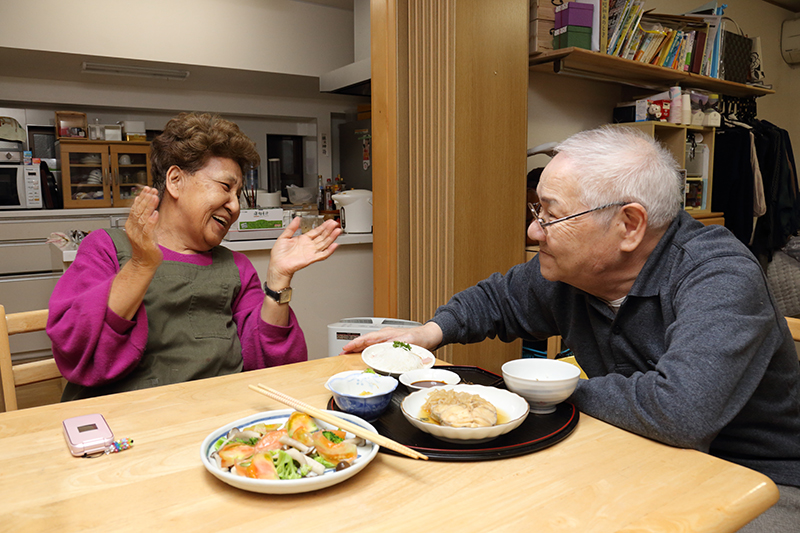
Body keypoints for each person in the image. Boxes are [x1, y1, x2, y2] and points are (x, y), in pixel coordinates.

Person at [343, 126, 800, 531]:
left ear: (629, 225)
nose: (533, 230)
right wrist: (429, 333)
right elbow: (499, 298)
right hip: (638, 455)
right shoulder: (573, 271)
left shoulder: (719, 276)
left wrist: (532, 395)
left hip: (758, 481)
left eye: (549, 214)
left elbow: (680, 412)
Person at [48, 112, 341, 400]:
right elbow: (78, 352)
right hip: (125, 426)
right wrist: (141, 265)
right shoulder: (107, 247)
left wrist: (278, 281)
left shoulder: (237, 267)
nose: (235, 206)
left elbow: (271, 366)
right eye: (226, 187)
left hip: (215, 424)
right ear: (175, 181)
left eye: (238, 194)